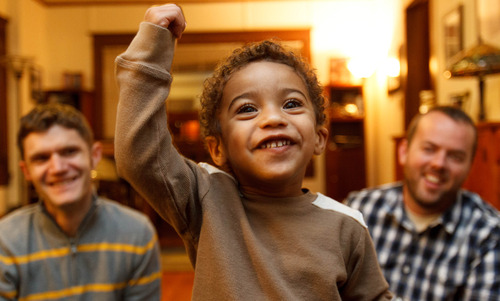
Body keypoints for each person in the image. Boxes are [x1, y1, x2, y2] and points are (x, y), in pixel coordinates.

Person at [114, 3, 392, 300]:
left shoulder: (346, 225)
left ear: (319, 138)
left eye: (292, 104)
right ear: (217, 148)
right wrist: (153, 46)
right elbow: (139, 154)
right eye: (247, 109)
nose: (273, 118)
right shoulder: (206, 199)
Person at [0, 103, 162, 300]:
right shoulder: (6, 242)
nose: (57, 167)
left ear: (94, 156)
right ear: (26, 171)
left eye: (69, 151)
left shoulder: (137, 235)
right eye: (41, 158)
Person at [346, 106, 500, 300]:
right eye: (429, 149)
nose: (439, 163)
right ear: (404, 151)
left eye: (455, 157)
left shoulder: (489, 234)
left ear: (469, 166)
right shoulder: (359, 209)